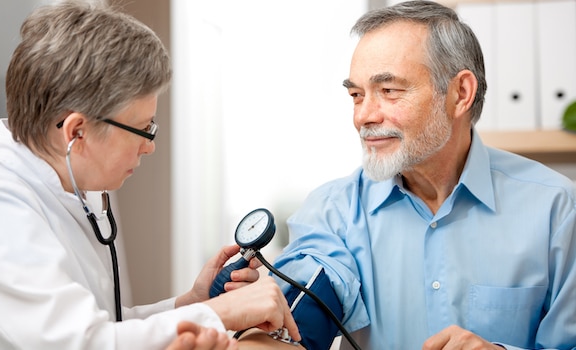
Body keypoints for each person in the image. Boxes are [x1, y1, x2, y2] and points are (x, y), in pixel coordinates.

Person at [236, 1, 576, 349]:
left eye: (389, 91)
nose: (364, 116)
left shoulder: (557, 209)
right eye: (356, 95)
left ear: (460, 93)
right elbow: (291, 322)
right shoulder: (332, 213)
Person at [0, 1, 299, 349]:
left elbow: (104, 325)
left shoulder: (56, 187)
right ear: (76, 133)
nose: (150, 147)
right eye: (143, 129)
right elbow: (86, 343)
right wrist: (222, 312)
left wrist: (192, 303)